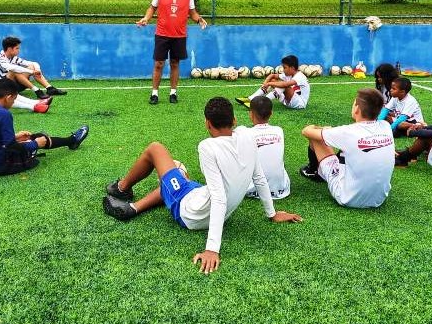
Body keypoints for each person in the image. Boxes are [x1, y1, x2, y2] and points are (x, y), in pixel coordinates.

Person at [102, 96, 301, 274]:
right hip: (209, 205)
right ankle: (134, 208)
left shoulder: (207, 146)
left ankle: (121, 188)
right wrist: (272, 214)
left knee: (156, 149)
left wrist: (212, 249)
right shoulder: (248, 137)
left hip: (190, 214)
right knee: (179, 170)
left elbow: (219, 197)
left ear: (207, 123)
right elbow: (259, 178)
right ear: (234, 120)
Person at [0, 78, 89, 176]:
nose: (13, 103)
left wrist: (15, 137)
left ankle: (69, 141)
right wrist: (36, 144)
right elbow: (11, 147)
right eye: (14, 99)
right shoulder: (3, 113)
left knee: (28, 138)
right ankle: (72, 141)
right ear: (8, 97)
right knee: (38, 139)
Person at [300, 88, 395, 208]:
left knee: (316, 138)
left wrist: (319, 128)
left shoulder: (347, 132)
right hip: (380, 198)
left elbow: (306, 131)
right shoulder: (386, 126)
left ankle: (313, 171)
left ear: (357, 109)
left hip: (348, 198)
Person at [136, 0, 207, 105]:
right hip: (162, 34)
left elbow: (192, 12)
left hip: (179, 36)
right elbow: (152, 8)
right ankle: (154, 93)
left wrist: (199, 19)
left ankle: (173, 92)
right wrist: (146, 18)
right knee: (159, 64)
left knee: (175, 63)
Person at [0, 36, 67, 100]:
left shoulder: (12, 57)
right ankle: (37, 90)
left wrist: (37, 70)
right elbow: (14, 68)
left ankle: (50, 88)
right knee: (14, 71)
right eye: (17, 48)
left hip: (12, 86)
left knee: (32, 66)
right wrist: (32, 72)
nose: (19, 50)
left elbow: (32, 63)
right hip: (0, 89)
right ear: (9, 49)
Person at [244, 96, 290, 200]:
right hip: (281, 189)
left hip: (252, 189)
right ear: (271, 113)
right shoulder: (279, 130)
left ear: (250, 114)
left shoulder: (246, 133)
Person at [235, 54, 310, 110]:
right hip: (288, 100)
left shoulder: (300, 76)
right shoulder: (288, 74)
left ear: (292, 68)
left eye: (285, 68)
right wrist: (266, 83)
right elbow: (272, 75)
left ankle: (261, 104)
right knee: (274, 80)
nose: (283, 70)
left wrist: (269, 84)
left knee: (284, 85)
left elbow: (285, 84)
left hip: (299, 104)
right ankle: (250, 98)